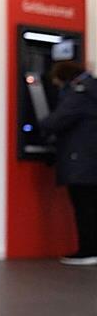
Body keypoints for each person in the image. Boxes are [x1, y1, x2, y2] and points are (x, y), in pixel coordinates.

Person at [41, 61, 97, 265]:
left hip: (81, 159)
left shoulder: (79, 93)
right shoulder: (93, 88)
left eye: (57, 83)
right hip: (92, 159)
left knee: (83, 206)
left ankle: (88, 250)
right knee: (91, 205)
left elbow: (57, 120)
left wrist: (41, 125)